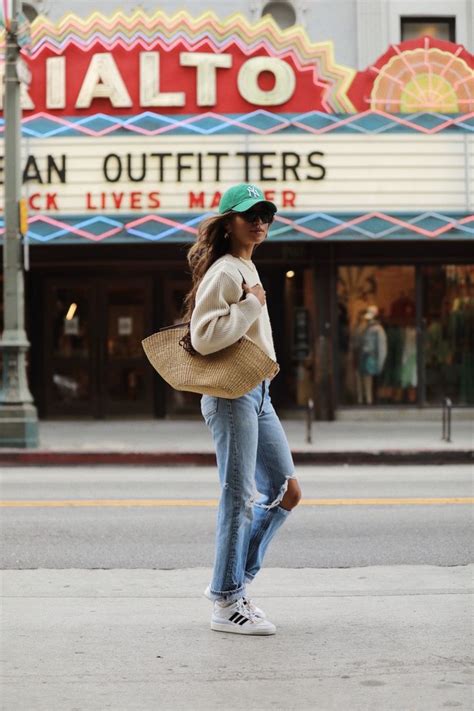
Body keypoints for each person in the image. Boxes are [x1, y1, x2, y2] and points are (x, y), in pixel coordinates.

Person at [182, 183, 302, 636]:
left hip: (258, 394)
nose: (259, 222)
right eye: (249, 214)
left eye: (265, 214)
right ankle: (227, 600)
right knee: (239, 497)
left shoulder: (245, 266)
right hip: (232, 396)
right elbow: (203, 336)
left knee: (287, 490)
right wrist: (252, 303)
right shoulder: (228, 272)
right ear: (228, 222)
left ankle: (234, 584)